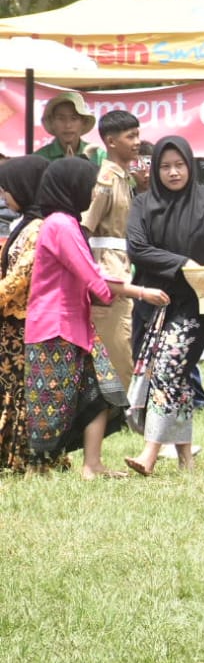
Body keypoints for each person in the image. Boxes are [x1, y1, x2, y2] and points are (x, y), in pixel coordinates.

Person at [25, 158, 167, 478]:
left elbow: (91, 277)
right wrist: (132, 292)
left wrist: (124, 290)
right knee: (51, 401)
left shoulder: (68, 223)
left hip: (76, 325)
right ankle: (38, 469)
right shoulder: (60, 224)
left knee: (104, 390)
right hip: (54, 327)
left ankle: (93, 464)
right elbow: (90, 274)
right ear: (70, 187)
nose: (92, 192)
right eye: (88, 185)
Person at [123, 136, 204, 476]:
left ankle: (150, 451)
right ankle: (186, 458)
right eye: (165, 166)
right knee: (174, 375)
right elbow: (137, 248)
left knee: (168, 366)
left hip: (197, 303)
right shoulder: (143, 204)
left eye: (180, 165)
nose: (173, 172)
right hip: (155, 301)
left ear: (191, 166)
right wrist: (182, 263)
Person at [0, 156, 63, 472]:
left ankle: (28, 457)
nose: (4, 196)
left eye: (7, 189)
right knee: (14, 387)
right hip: (13, 322)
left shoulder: (39, 228)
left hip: (27, 321)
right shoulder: (24, 223)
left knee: (26, 390)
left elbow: (20, 277)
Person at [83, 110, 140, 389]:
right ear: (111, 141)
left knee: (123, 336)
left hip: (123, 262)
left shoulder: (124, 177)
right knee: (116, 341)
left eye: (138, 134)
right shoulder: (105, 180)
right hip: (106, 267)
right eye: (131, 136)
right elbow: (87, 227)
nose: (137, 141)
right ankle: (124, 405)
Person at [35, 91, 96, 162]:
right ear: (52, 122)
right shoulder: (39, 159)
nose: (68, 125)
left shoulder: (98, 156)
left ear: (83, 122)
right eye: (61, 118)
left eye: (74, 118)